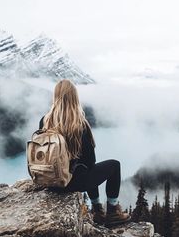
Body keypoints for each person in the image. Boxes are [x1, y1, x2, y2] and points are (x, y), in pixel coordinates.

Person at [38, 79, 130, 227]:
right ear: (75, 97)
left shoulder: (45, 121)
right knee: (114, 165)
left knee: (85, 168)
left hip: (50, 180)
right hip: (71, 183)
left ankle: (98, 211)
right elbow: (90, 161)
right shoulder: (79, 123)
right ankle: (111, 211)